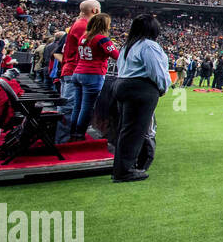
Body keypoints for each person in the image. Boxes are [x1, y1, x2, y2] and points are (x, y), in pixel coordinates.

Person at [112, 14, 169, 183]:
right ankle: (125, 170)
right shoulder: (149, 46)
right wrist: (163, 87)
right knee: (135, 130)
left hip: (123, 84)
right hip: (140, 89)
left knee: (126, 129)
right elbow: (156, 71)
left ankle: (121, 167)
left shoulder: (128, 45)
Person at [67, 13, 118, 141]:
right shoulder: (102, 39)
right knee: (87, 107)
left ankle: (73, 132)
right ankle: (79, 134)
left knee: (77, 106)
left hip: (78, 72)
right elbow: (116, 55)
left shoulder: (83, 37)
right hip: (93, 74)